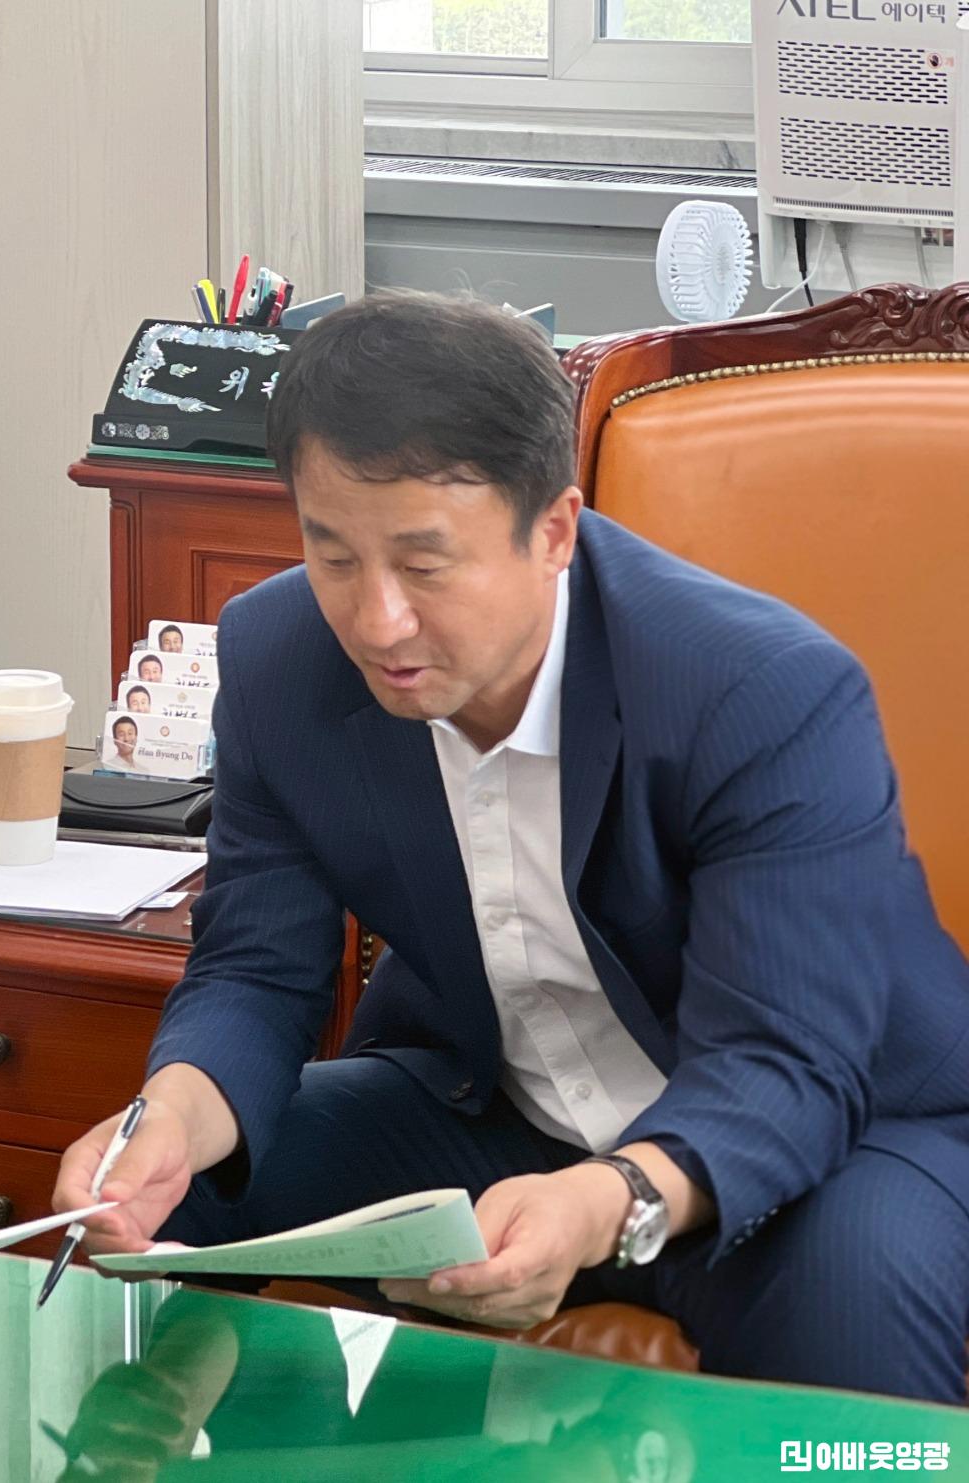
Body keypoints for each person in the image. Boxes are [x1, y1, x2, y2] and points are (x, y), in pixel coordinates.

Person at [56, 292, 969, 1404]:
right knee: (173, 1197)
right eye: (331, 554)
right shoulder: (280, 658)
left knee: (852, 1304)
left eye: (424, 563)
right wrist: (168, 1116)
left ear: (553, 531)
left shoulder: (757, 687)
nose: (376, 620)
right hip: (499, 1111)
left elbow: (784, 1061)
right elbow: (253, 966)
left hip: (829, 1133)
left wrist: (601, 1200)